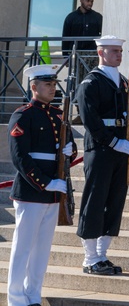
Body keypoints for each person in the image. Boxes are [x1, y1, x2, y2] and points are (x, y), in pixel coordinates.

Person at [7, 64, 77, 306]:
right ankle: (16, 298)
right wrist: (45, 183)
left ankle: (33, 295)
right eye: (48, 84)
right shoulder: (23, 115)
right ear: (33, 87)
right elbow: (20, 158)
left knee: (41, 250)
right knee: (23, 248)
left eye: (54, 84)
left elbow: (69, 146)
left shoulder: (58, 114)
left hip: (54, 191)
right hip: (32, 190)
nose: (53, 88)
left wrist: (70, 150)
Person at [75, 35, 129, 275]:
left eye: (120, 51)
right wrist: (113, 141)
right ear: (101, 52)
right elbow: (90, 120)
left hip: (121, 147)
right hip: (101, 148)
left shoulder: (122, 80)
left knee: (114, 202)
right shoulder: (90, 83)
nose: (119, 55)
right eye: (114, 51)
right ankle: (90, 258)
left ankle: (102, 254)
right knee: (95, 201)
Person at [61, 0, 103, 68]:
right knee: (77, 78)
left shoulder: (97, 17)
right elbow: (65, 37)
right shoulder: (71, 18)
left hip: (93, 54)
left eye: (92, 1)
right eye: (88, 1)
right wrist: (65, 56)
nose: (90, 3)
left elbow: (103, 35)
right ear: (81, 0)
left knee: (92, 78)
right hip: (76, 53)